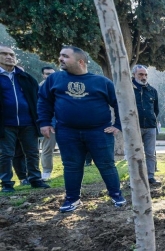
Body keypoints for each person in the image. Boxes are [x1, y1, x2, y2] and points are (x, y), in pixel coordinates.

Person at [38, 45, 125, 212]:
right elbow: (44, 101)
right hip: (67, 132)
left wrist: (117, 125)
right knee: (71, 166)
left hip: (99, 132)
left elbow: (119, 103)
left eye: (65, 56)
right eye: (60, 55)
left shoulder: (102, 82)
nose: (60, 59)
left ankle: (116, 195)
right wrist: (45, 122)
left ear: (80, 61)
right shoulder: (54, 79)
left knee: (106, 164)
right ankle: (72, 199)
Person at [0, 44, 50, 192]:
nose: (9, 57)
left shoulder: (25, 78)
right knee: (6, 154)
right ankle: (7, 183)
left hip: (28, 122)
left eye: (12, 55)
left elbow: (37, 100)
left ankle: (35, 179)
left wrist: (40, 119)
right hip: (5, 124)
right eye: (4, 54)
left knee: (33, 152)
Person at [132, 64, 160, 186]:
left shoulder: (152, 91)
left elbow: (156, 109)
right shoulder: (128, 90)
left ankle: (150, 177)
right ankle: (135, 178)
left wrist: (152, 119)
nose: (143, 77)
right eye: (141, 74)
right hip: (134, 127)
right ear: (134, 75)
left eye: (145, 75)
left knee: (150, 153)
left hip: (150, 126)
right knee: (134, 154)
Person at [39, 66, 57, 181]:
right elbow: (40, 107)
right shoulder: (40, 88)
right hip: (49, 124)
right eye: (47, 74)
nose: (49, 76)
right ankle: (46, 172)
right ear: (43, 75)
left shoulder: (60, 86)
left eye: (52, 74)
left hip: (63, 123)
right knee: (47, 149)